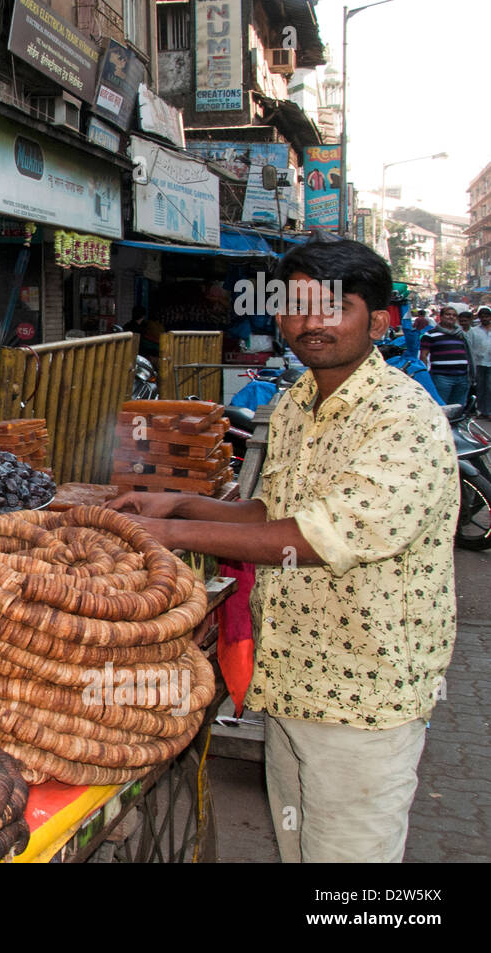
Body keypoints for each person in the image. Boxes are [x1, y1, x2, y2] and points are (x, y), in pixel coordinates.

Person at [110, 238, 458, 863]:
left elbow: (313, 539)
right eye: (297, 304)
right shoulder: (299, 402)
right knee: (302, 851)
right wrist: (179, 503)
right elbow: (272, 514)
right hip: (294, 680)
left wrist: (173, 535)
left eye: (335, 306)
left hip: (363, 697)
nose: (311, 321)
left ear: (379, 321)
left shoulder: (402, 418)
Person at [419, 305, 472, 408]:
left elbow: (469, 354)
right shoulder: (430, 334)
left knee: (458, 409)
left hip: (462, 377)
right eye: (448, 314)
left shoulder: (461, 335)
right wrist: (425, 375)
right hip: (442, 378)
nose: (451, 317)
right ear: (441, 316)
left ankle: (455, 425)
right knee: (442, 408)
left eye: (454, 315)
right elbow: (424, 355)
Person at [467, 307, 491, 416]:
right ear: (479, 318)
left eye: (487, 317)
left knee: (490, 387)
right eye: (483, 317)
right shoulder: (474, 331)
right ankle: (482, 411)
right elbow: (470, 347)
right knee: (481, 388)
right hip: (479, 363)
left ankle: (489, 411)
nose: (485, 319)